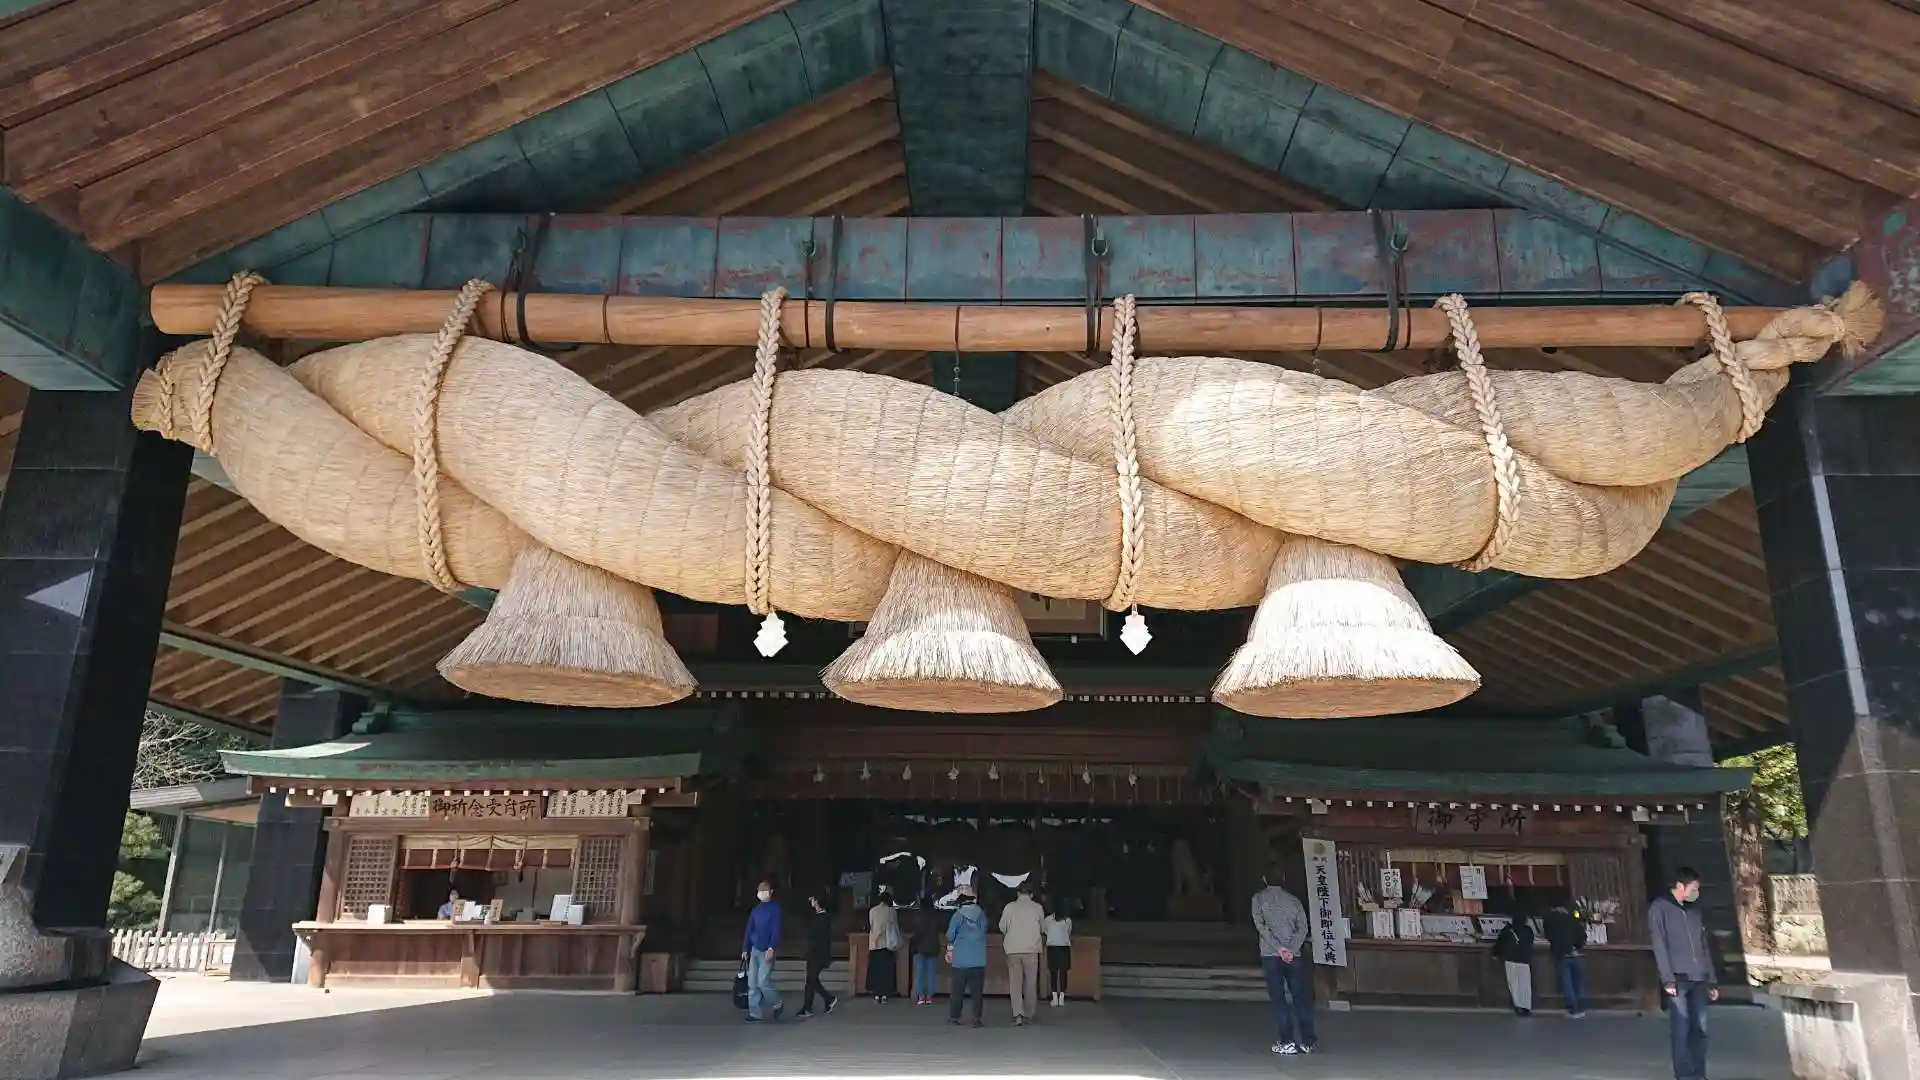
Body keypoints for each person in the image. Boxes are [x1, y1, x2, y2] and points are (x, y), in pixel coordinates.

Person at [1650, 868, 1719, 1080]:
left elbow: (1703, 946)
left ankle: (1699, 1073)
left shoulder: (1694, 910)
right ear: (1680, 886)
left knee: (1700, 1029)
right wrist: (1667, 978)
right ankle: (1684, 1074)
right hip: (1677, 979)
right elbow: (1659, 945)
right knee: (1681, 1028)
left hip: (1699, 978)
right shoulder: (1660, 909)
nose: (1696, 892)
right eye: (1694, 888)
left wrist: (1712, 979)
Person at [1252, 867, 1316, 1055]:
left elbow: (1261, 926)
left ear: (1264, 879)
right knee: (1301, 999)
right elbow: (1303, 928)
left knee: (1279, 1000)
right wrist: (1291, 949)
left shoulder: (1258, 899)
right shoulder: (1294, 900)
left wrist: (1279, 949)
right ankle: (1308, 1041)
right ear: (1284, 879)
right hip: (1293, 956)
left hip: (1271, 955)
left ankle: (1287, 1041)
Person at [999, 883, 1045, 1026]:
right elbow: (1043, 928)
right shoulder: (1037, 908)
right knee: (1030, 983)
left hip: (1013, 949)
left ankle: (1018, 1014)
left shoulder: (1009, 907)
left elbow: (1002, 927)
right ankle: (1029, 1015)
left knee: (1015, 983)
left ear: (1018, 893)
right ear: (1031, 894)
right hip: (1031, 950)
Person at [740, 879, 785, 1023]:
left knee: (763, 982)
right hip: (755, 949)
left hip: (767, 950)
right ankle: (755, 1013)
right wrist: (745, 948)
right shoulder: (756, 910)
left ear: (771, 892)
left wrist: (772, 947)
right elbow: (749, 930)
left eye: (765, 890)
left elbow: (776, 930)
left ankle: (777, 1003)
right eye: (760, 890)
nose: (762, 893)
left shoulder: (775, 909)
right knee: (752, 984)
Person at [945, 885, 989, 1027]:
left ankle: (954, 1017)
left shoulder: (957, 915)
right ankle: (976, 1018)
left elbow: (950, 935)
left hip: (960, 960)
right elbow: (985, 929)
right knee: (977, 992)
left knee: (957, 991)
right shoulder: (981, 914)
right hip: (978, 959)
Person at [795, 891, 838, 1018]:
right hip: (814, 952)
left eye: (813, 899)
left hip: (818, 953)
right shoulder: (818, 917)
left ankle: (828, 998)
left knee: (812, 979)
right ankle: (807, 1007)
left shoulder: (822, 918)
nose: (811, 901)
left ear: (818, 901)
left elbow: (820, 938)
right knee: (810, 980)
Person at [1544, 900, 1589, 1018]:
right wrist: (1576, 946)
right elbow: (1583, 936)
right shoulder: (1572, 919)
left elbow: (1548, 935)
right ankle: (1580, 1008)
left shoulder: (1550, 920)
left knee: (1567, 984)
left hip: (1562, 955)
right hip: (1576, 955)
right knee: (1577, 984)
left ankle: (1573, 1010)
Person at [1492, 907, 1536, 1016]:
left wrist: (1495, 954)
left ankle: (1518, 1006)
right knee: (1525, 984)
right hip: (1525, 960)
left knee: (1514, 984)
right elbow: (1531, 942)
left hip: (1511, 959)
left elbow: (1500, 943)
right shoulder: (1528, 930)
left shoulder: (1508, 929)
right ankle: (1526, 1006)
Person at [866, 885, 901, 1003]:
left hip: (875, 944)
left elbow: (871, 926)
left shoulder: (872, 911)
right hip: (887, 945)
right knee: (887, 971)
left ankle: (876, 994)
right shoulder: (892, 911)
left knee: (876, 971)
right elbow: (895, 926)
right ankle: (885, 995)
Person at [909, 900, 943, 1006]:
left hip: (921, 948)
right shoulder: (936, 917)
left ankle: (921, 996)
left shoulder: (919, 917)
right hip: (933, 948)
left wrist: (913, 944)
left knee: (920, 973)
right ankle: (929, 996)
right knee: (931, 974)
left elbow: (917, 934)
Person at [1042, 900, 1073, 1007]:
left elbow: (1044, 931)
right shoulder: (1068, 920)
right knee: (1063, 973)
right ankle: (1062, 998)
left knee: (1053, 973)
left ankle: (1055, 998)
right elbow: (1068, 931)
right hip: (1064, 947)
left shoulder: (1048, 919)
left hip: (1052, 947)